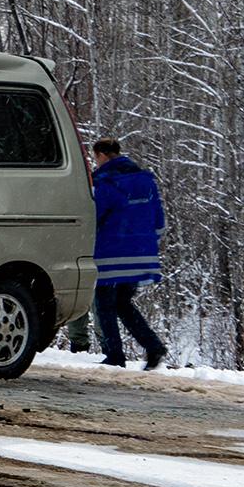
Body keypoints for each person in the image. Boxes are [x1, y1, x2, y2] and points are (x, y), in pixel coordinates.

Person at [91, 137, 167, 369]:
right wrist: (149, 241)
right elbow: (158, 219)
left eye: (96, 157)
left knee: (104, 303)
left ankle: (115, 355)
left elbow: (96, 216)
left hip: (111, 252)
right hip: (141, 252)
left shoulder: (105, 182)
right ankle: (153, 346)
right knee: (123, 303)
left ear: (102, 155)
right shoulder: (145, 181)